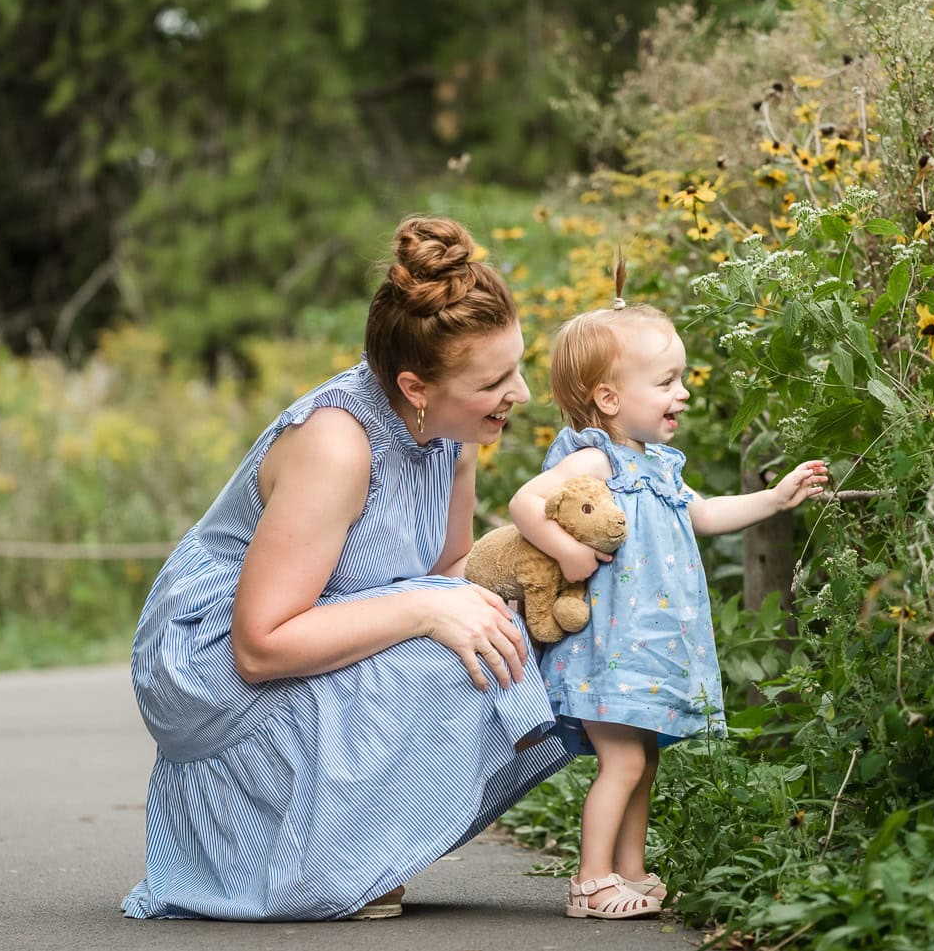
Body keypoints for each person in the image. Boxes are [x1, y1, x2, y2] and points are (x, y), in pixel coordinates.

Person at [122, 216, 571, 922]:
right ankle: (317, 854)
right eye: (495, 379)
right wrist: (426, 611)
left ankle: (363, 840)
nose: (520, 393)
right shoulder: (338, 446)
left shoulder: (455, 430)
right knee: (454, 634)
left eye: (516, 367)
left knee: (497, 631)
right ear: (415, 385)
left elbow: (448, 567)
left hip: (317, 619)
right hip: (215, 660)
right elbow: (260, 644)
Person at [507, 300, 828, 920]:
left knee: (642, 758)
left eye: (679, 378)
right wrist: (568, 553)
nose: (681, 393)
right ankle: (591, 880)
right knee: (623, 760)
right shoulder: (595, 458)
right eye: (665, 382)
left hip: (648, 647)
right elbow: (526, 502)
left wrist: (776, 497)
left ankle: (628, 870)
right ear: (607, 398)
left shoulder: (658, 466)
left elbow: (704, 515)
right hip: (609, 648)